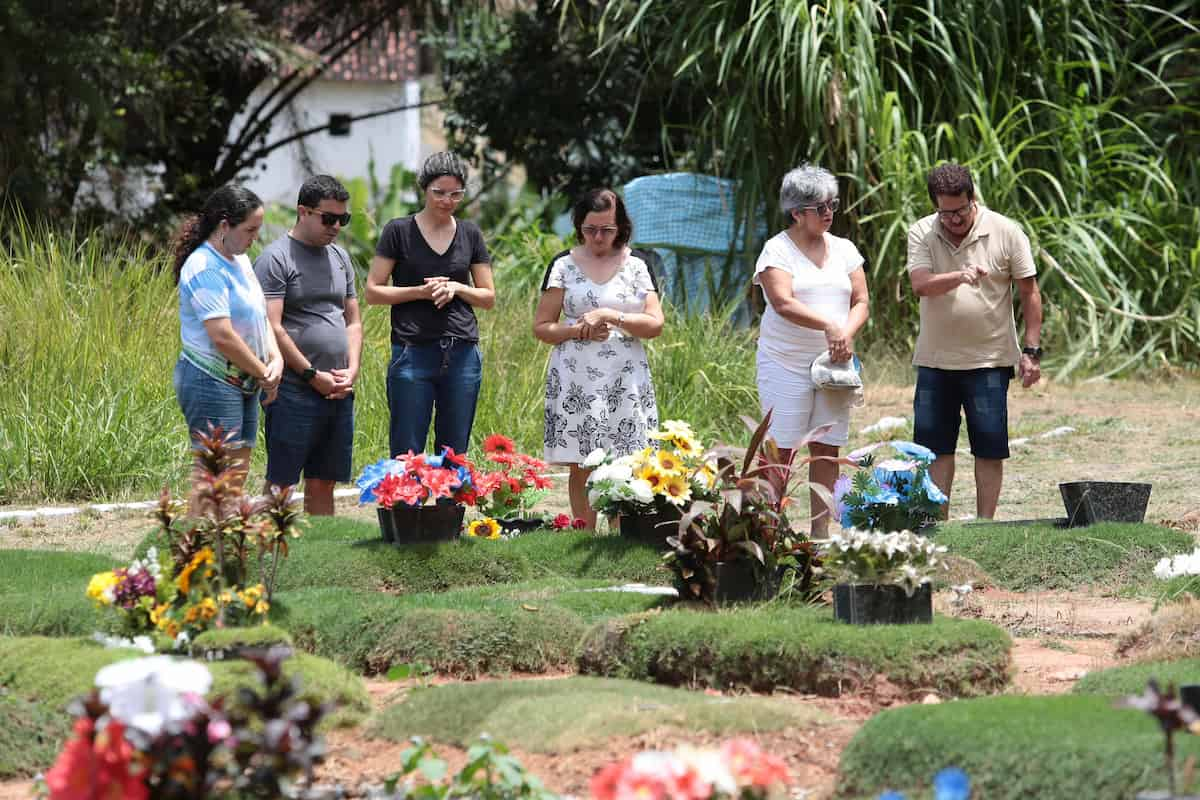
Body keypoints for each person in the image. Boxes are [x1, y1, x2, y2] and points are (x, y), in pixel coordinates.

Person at [907, 162, 1043, 519]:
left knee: (989, 447)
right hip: (936, 361)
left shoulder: (1006, 231)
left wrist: (1031, 351)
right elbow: (920, 284)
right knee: (934, 449)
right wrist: (958, 276)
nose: (954, 219)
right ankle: (940, 528)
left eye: (961, 210)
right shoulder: (922, 231)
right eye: (945, 212)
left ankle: (985, 527)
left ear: (973, 199)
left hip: (989, 361)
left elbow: (1029, 292)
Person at [533, 188, 664, 527]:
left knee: (626, 457)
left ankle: (624, 534)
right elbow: (542, 326)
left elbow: (654, 324)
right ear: (579, 226)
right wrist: (578, 329)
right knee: (582, 460)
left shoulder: (637, 265)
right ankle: (583, 531)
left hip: (625, 375)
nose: (598, 237)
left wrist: (609, 315)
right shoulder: (563, 265)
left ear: (621, 227)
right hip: (576, 376)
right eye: (591, 229)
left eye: (607, 229)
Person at [752, 164, 870, 536]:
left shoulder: (844, 249)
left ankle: (820, 537)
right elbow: (783, 302)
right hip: (784, 362)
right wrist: (829, 325)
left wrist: (845, 333)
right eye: (819, 208)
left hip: (834, 363)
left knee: (826, 449)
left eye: (832, 204)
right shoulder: (777, 249)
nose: (829, 213)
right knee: (780, 451)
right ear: (796, 212)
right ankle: (772, 534)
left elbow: (862, 300)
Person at [366, 152, 494, 457]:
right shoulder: (398, 230)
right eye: (439, 192)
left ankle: (450, 506)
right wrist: (420, 292)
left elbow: (488, 297)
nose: (447, 200)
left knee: (454, 450)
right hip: (412, 350)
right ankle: (405, 506)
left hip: (462, 350)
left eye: (456, 194)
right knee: (407, 450)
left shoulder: (470, 233)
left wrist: (457, 287)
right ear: (423, 189)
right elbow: (373, 291)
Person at [253, 175, 363, 516]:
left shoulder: (341, 258)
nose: (336, 227)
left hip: (338, 388)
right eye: (328, 218)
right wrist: (311, 373)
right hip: (293, 387)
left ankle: (321, 556)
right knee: (281, 483)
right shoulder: (276, 258)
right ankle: (266, 553)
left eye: (342, 219)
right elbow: (273, 326)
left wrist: (352, 369)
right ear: (303, 212)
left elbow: (353, 320)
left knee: (324, 480)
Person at [173, 184, 283, 488]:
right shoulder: (204, 267)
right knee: (215, 478)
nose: (255, 237)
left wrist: (275, 359)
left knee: (236, 475)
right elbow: (221, 335)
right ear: (225, 226)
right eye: (250, 230)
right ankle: (201, 535)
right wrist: (264, 373)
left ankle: (226, 535)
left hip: (245, 379)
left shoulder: (242, 260)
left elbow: (260, 315)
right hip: (212, 381)